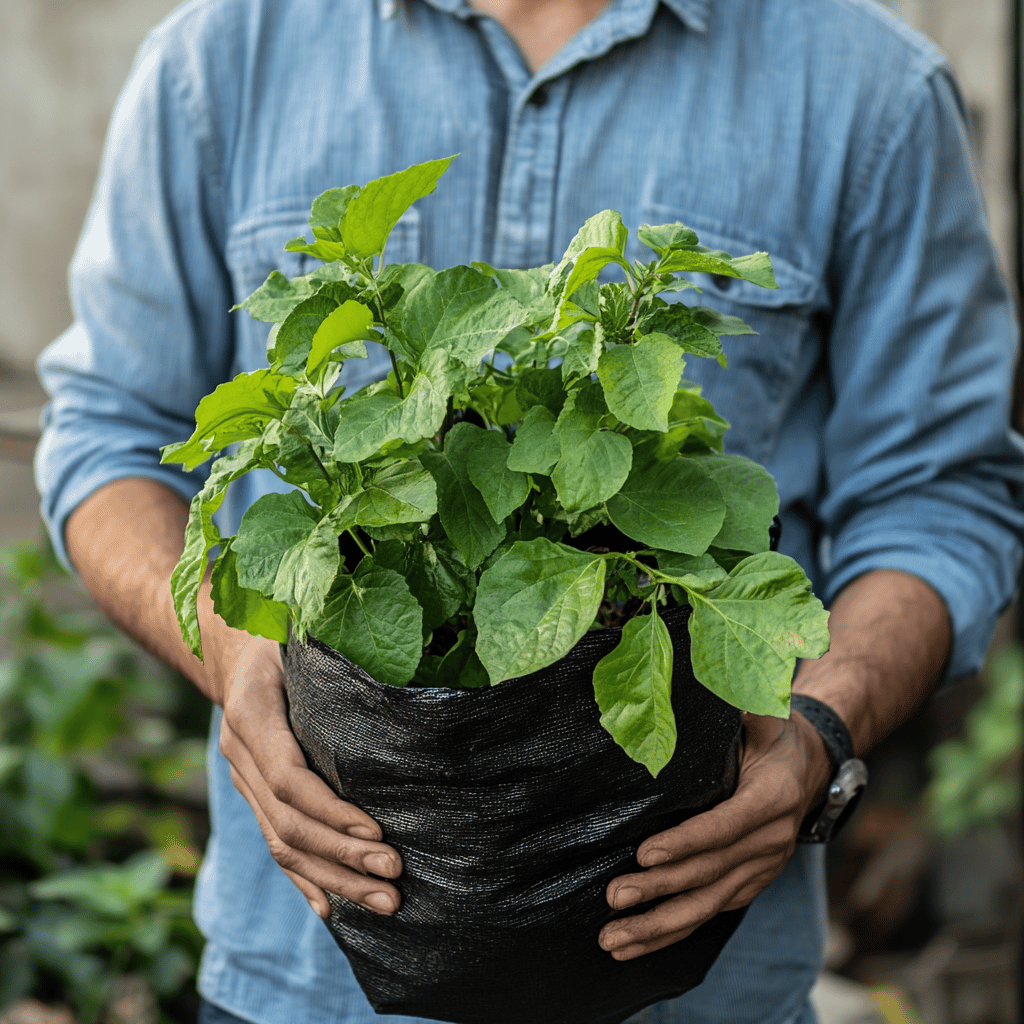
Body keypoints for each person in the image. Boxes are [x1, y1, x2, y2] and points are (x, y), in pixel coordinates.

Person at [35, 1, 1024, 1022]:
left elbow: (942, 495)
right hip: (304, 978)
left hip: (696, 986)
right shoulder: (225, 53)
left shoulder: (866, 85)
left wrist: (822, 724)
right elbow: (108, 436)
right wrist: (234, 651)